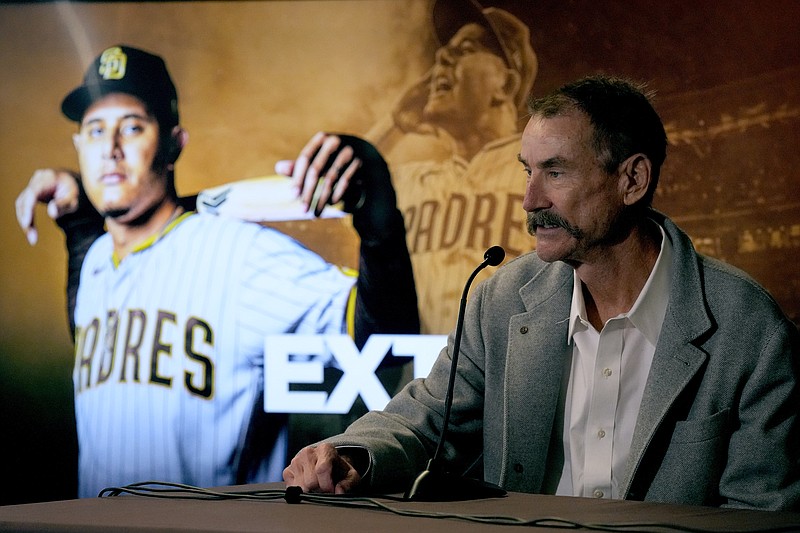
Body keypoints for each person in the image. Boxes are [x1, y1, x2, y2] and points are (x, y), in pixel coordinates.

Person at [283, 75, 800, 510]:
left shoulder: (750, 331)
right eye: (528, 171)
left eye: (555, 171)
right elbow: (425, 422)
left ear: (633, 180)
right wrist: (352, 454)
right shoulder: (500, 301)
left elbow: (760, 518)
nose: (530, 200)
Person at [15, 44, 419, 498]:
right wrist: (76, 222)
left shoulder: (240, 254)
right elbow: (97, 322)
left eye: (132, 126)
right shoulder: (93, 262)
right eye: (94, 129)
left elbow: (384, 334)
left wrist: (377, 218)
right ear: (78, 145)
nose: (109, 149)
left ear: (173, 141)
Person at [365, 0, 538, 333]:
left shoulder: (539, 176)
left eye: (466, 49)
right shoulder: (415, 181)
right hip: (420, 377)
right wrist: (395, 123)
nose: (441, 57)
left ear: (505, 84)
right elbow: (325, 187)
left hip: (504, 373)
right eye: (445, 52)